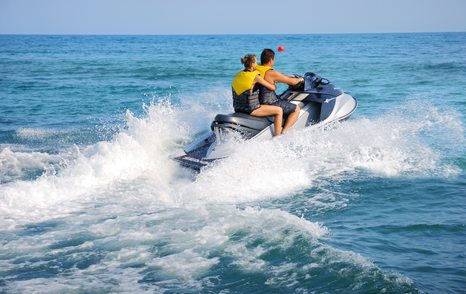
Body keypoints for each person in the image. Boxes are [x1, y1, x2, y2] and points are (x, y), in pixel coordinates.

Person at [232, 54, 283, 136]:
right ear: (252, 64)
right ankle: (278, 137)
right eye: (256, 62)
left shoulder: (238, 74)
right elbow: (272, 88)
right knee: (279, 111)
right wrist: (274, 84)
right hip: (250, 110)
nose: (257, 64)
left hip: (237, 108)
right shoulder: (255, 76)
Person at [255, 48, 304, 134]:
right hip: (269, 102)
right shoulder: (271, 72)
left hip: (257, 101)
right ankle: (284, 131)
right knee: (296, 109)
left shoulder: (256, 69)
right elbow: (292, 82)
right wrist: (301, 79)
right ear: (271, 60)